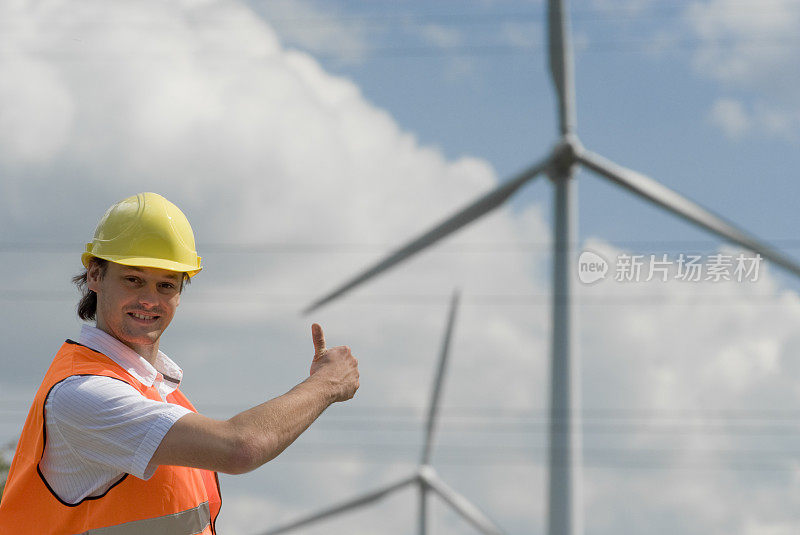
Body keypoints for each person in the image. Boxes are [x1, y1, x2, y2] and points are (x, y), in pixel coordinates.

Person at [0, 192, 359, 534]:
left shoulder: (160, 393)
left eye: (166, 286)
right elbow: (239, 447)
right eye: (133, 280)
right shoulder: (82, 395)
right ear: (95, 275)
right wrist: (326, 384)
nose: (149, 300)